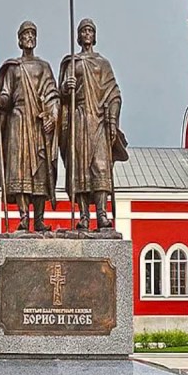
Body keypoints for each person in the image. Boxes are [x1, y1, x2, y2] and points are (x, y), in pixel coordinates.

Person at [0, 21, 60, 232]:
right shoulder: (13, 67)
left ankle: (40, 220)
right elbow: (7, 94)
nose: (29, 37)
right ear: (19, 40)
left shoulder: (44, 67)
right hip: (18, 120)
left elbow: (52, 94)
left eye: (33, 34)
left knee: (40, 170)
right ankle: (24, 218)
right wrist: (0, 100)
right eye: (25, 34)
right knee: (20, 169)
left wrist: (52, 115)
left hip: (37, 122)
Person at [59, 18, 128, 230]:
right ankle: (83, 217)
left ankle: (101, 214)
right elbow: (59, 97)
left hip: (98, 120)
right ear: (79, 36)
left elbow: (114, 93)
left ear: (94, 36)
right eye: (83, 31)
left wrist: (113, 120)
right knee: (80, 168)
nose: (87, 34)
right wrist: (65, 87)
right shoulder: (72, 63)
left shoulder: (102, 63)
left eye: (90, 31)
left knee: (100, 166)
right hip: (79, 119)